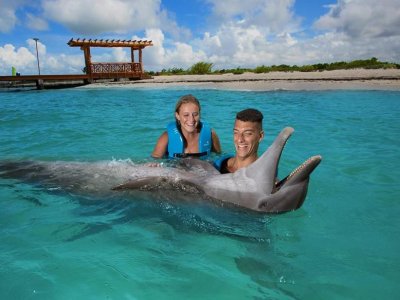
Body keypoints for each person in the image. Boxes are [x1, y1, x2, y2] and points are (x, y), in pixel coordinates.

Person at [152, 94, 222, 158]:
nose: (191, 119)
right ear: (177, 116)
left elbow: (219, 157)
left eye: (195, 114)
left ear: (199, 114)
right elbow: (155, 160)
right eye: (186, 115)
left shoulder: (210, 134)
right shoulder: (166, 137)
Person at [214, 108, 264, 173]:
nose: (240, 139)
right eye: (236, 132)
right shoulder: (219, 165)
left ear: (260, 136)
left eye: (248, 133)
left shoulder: (266, 178)